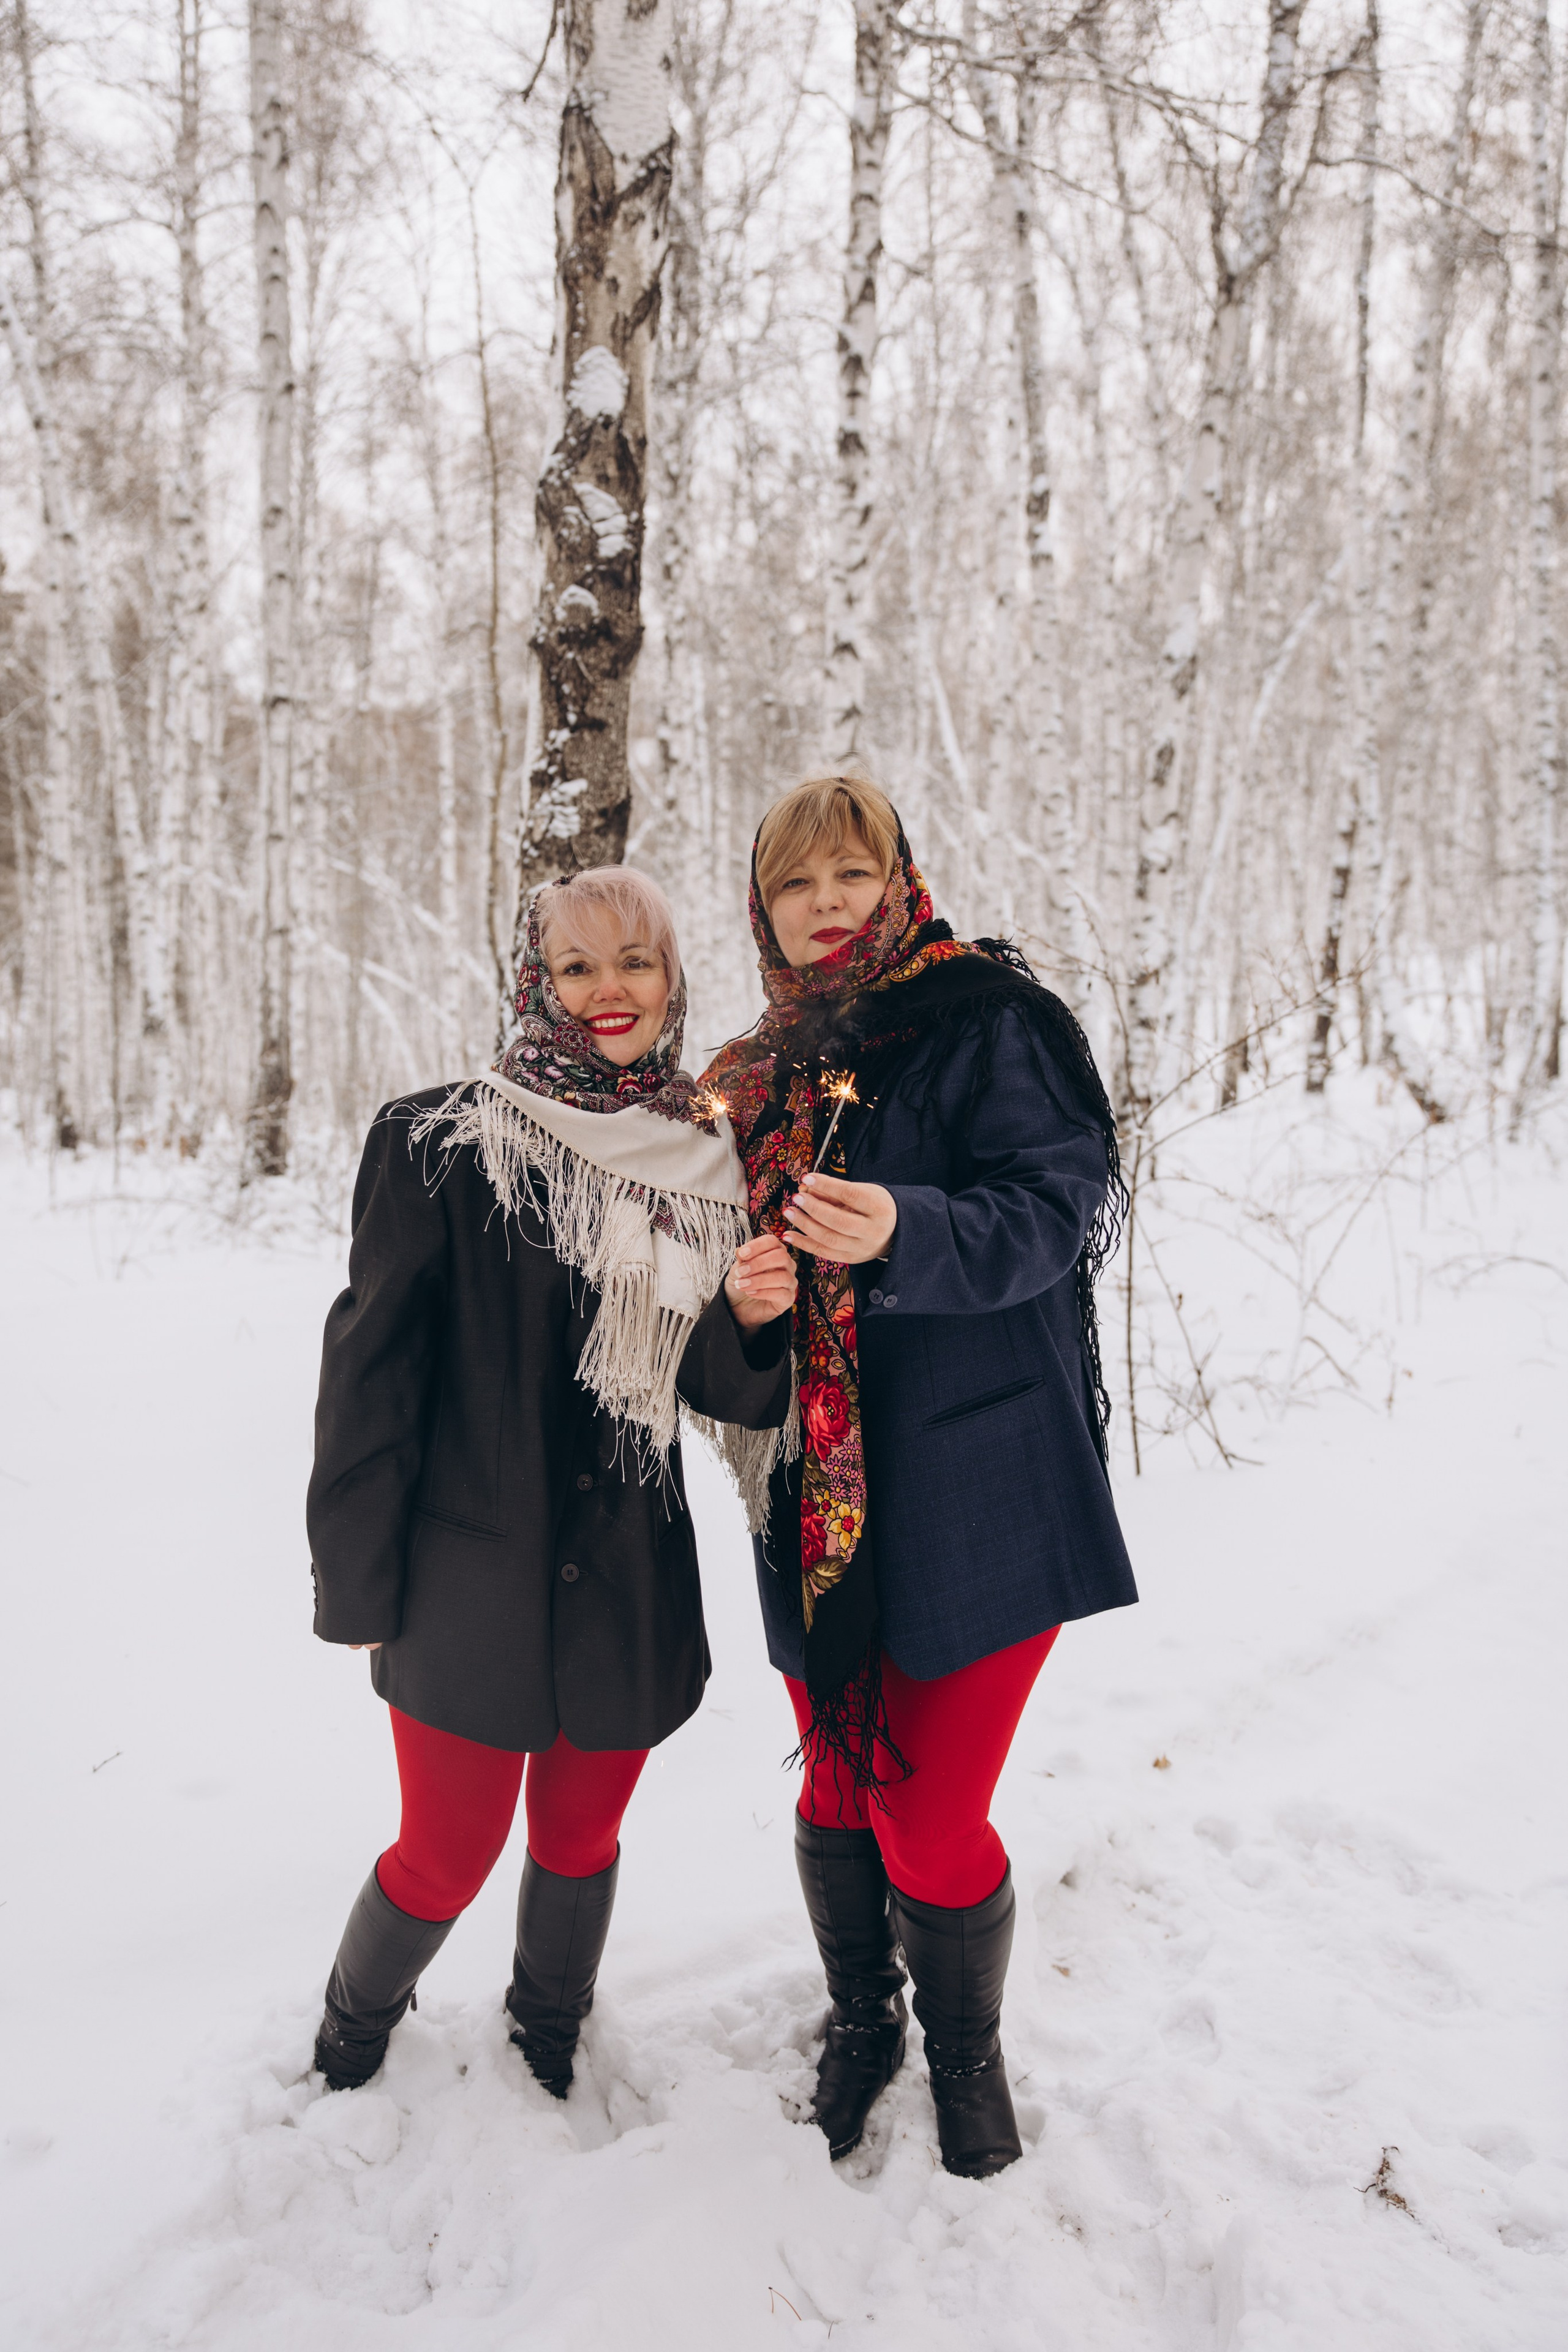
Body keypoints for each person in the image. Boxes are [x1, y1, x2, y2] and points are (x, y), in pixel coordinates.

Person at [701, 772, 1136, 2180]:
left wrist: (903, 1225)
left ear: (898, 879)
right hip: (814, 1497)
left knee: (927, 1808)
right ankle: (861, 2022)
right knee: (833, 1781)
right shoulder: (749, 1072)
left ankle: (964, 2052)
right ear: (759, 907)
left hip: (979, 1474)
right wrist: (748, 1306)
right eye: (793, 887)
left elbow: (1055, 1212)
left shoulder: (986, 1020)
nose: (824, 910)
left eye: (849, 877)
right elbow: (702, 1312)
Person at [306, 867, 796, 2097]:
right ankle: (349, 2042)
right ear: (537, 982)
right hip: (464, 1577)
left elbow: (713, 1393)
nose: (607, 992)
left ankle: (546, 2034)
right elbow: (367, 1379)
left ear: (672, 974)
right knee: (443, 1852)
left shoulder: (702, 1156)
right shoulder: (440, 1141)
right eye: (576, 966)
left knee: (579, 1837)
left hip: (627, 1577)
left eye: (633, 960)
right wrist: (360, 1589)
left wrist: (744, 1319)